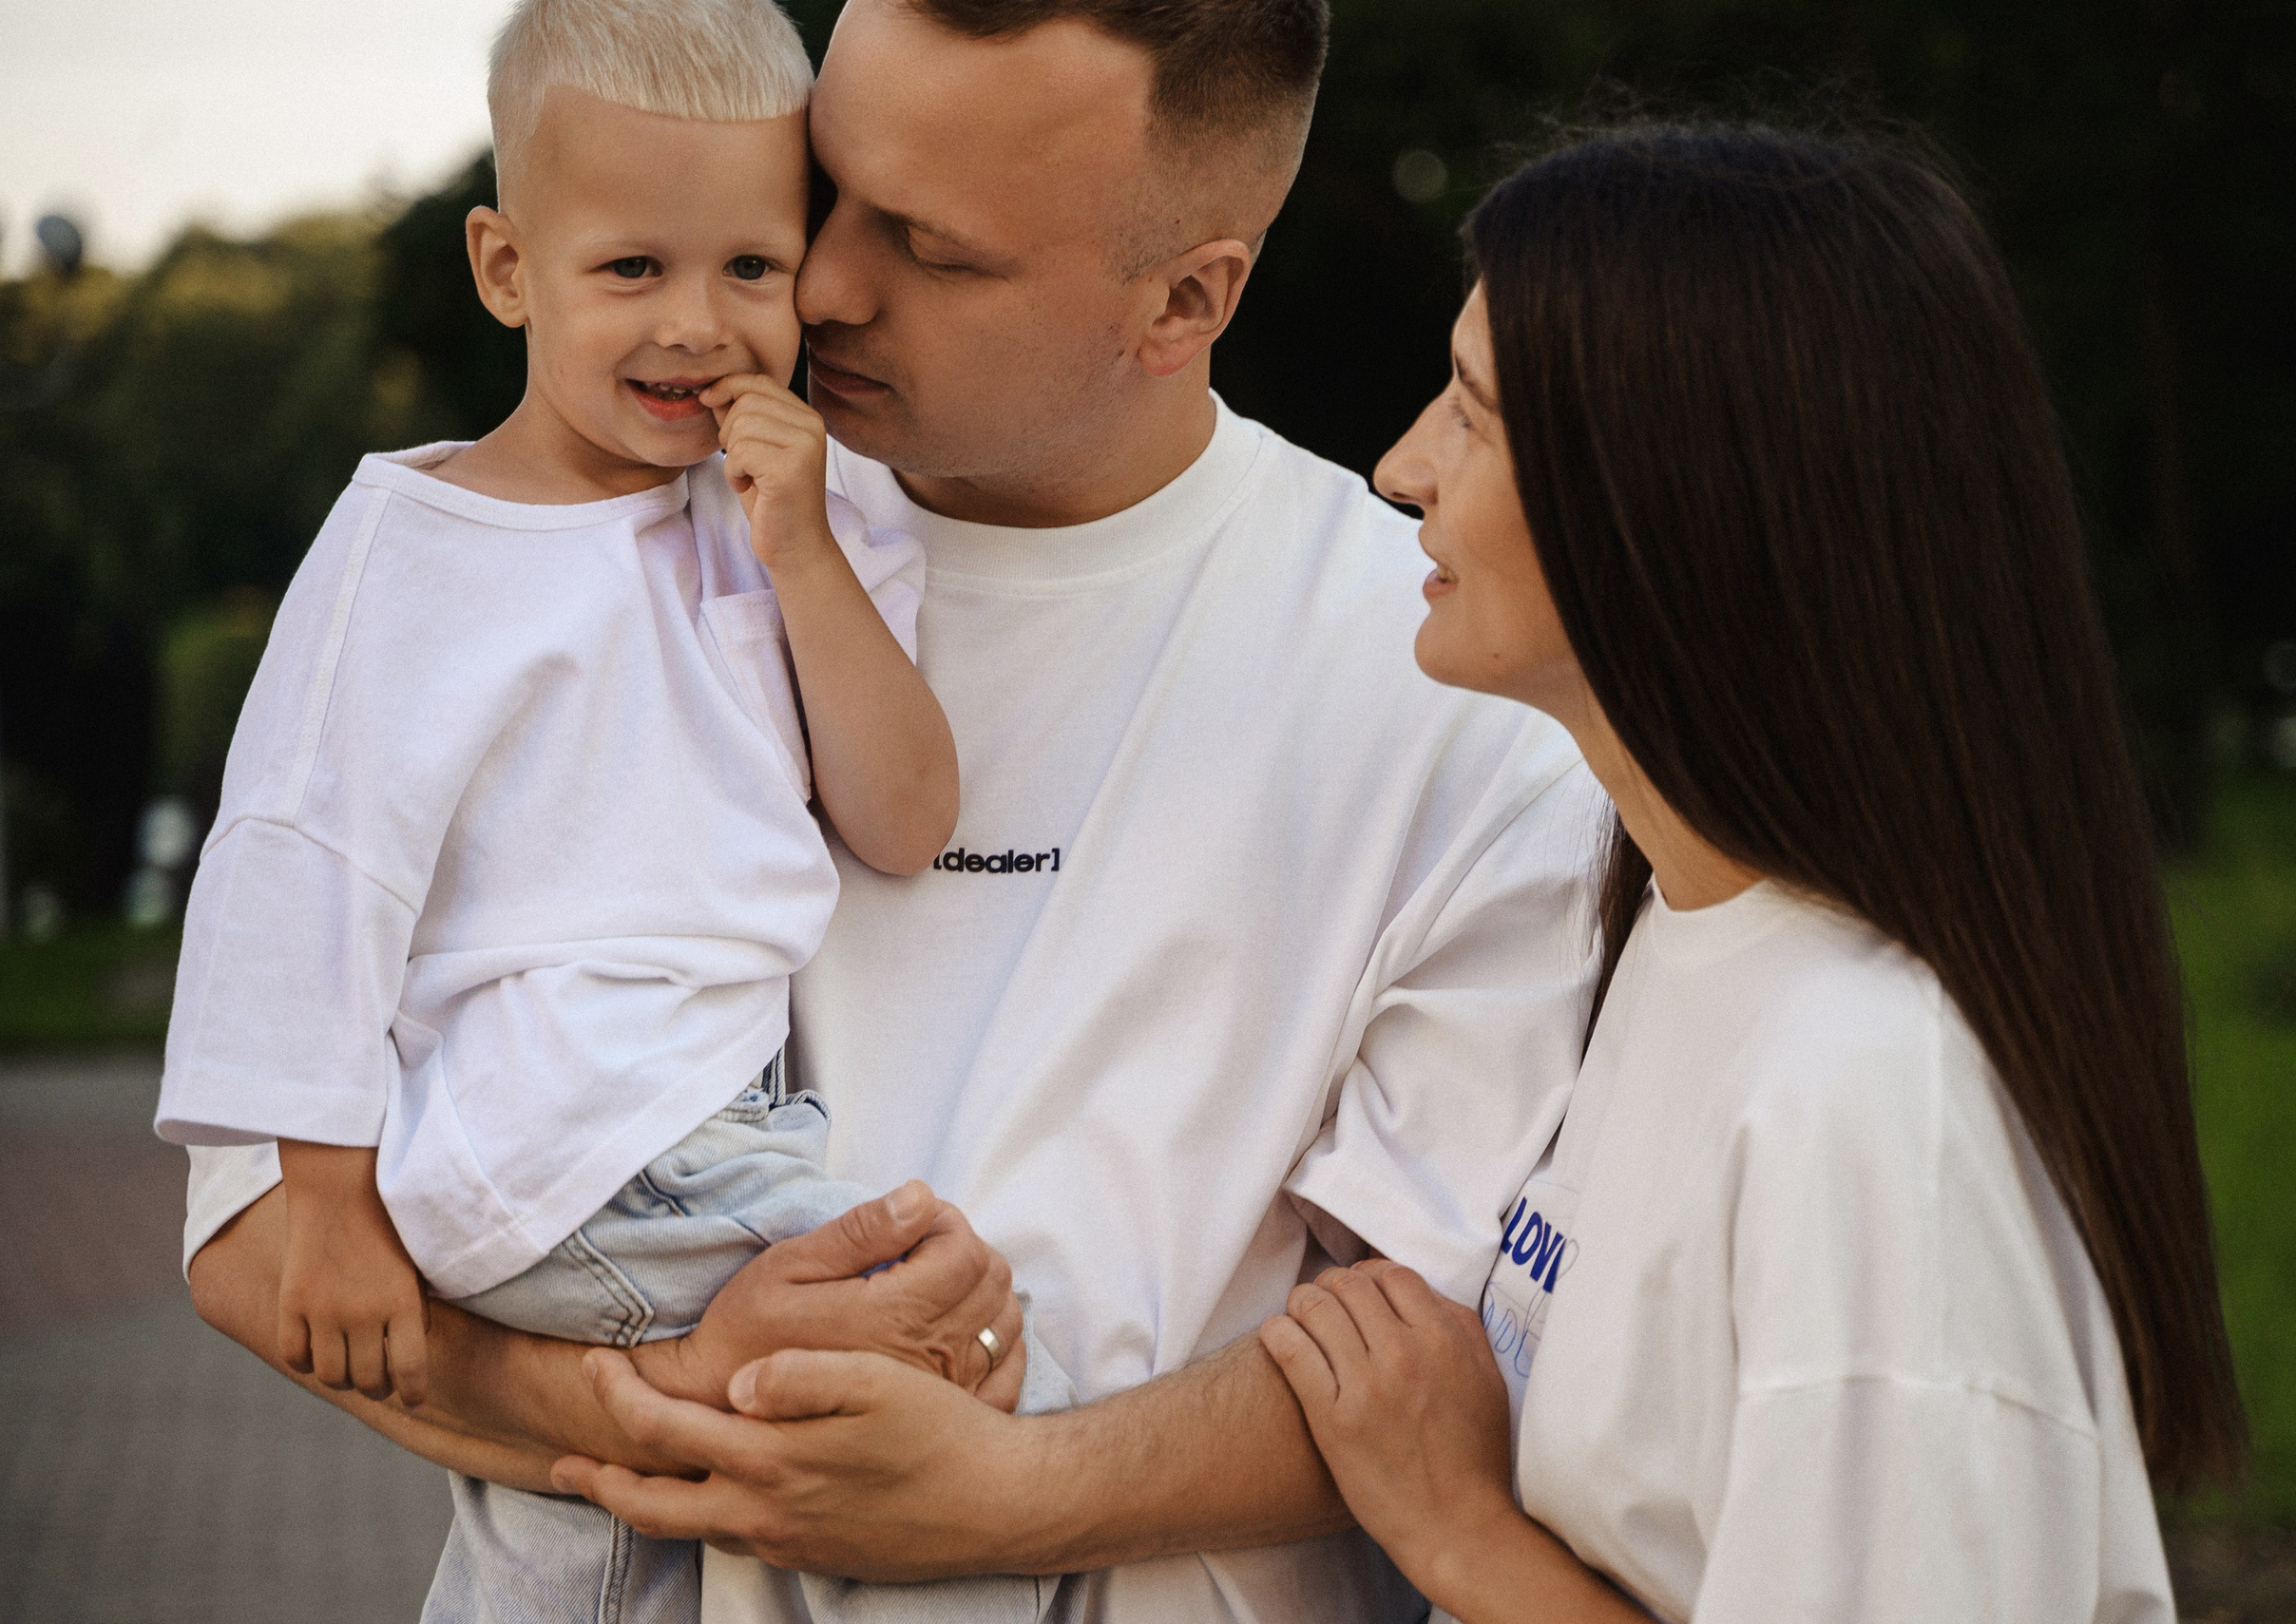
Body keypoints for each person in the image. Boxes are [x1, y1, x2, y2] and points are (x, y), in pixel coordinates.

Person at [182, 2, 1600, 1619]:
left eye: (931, 246)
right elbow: (253, 1240)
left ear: (1188, 297)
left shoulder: (1456, 704)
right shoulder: (614, 534)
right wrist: (668, 1397)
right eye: (822, 195)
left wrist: (1007, 1493)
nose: (823, 285)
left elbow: (1438, 1359)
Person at [156, 2, 1076, 1619]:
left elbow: (906, 813)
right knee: (954, 1384)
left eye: (751, 268)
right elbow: (304, 871)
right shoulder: (418, 549)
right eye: (631, 270)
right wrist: (323, 1202)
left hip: (701, 1132)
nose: (698, 325)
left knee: (608, 1543)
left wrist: (800, 554)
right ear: (509, 271)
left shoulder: (811, 518)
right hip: (569, 1136)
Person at [1258, 124, 2248, 1622]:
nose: (1402, 467)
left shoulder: (1868, 1104)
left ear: (1665, 499)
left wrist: (1457, 1529)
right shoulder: (1687, 930)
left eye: (1472, 412)